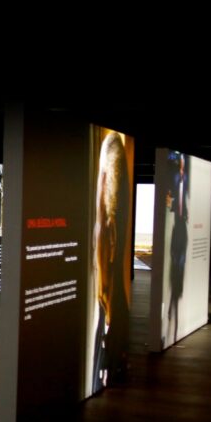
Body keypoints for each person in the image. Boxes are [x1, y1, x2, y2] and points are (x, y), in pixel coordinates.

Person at [91, 132, 131, 394]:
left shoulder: (115, 330)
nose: (93, 238)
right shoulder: (111, 317)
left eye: (98, 221)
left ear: (112, 239)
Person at [165, 152, 189, 345]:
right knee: (176, 259)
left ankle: (176, 291)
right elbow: (171, 195)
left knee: (179, 261)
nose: (181, 165)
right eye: (180, 162)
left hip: (182, 226)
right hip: (177, 224)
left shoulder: (184, 180)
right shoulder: (175, 179)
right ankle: (171, 311)